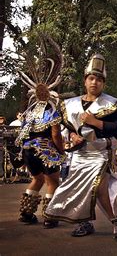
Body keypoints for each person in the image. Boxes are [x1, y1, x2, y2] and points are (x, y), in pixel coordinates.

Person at [45, 54, 117, 240]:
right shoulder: (71, 104)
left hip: (101, 153)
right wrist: (72, 136)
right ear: (85, 81)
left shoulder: (111, 103)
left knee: (99, 189)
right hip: (79, 154)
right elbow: (67, 128)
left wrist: (96, 122)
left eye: (99, 79)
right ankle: (85, 223)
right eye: (91, 78)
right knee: (80, 189)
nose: (95, 82)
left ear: (103, 83)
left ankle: (116, 221)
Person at [14, 35, 65, 228]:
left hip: (27, 150)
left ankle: (26, 213)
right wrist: (61, 151)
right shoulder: (51, 111)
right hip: (45, 151)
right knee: (53, 182)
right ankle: (50, 217)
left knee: (36, 179)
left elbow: (24, 133)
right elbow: (55, 135)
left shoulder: (29, 112)